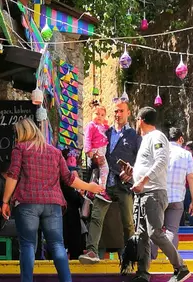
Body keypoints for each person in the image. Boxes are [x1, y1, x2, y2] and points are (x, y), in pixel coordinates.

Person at [1, 118, 103, 282]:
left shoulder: (20, 149)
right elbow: (69, 179)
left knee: (27, 245)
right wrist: (90, 187)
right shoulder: (55, 152)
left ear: (22, 133)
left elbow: (12, 176)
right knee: (57, 245)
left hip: (27, 201)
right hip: (53, 204)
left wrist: (5, 201)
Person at [122, 107, 191, 282]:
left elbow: (162, 160)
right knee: (143, 235)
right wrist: (132, 174)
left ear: (140, 119)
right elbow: (149, 164)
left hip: (153, 194)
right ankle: (143, 274)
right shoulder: (145, 139)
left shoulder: (157, 137)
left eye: (136, 120)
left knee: (155, 233)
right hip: (144, 194)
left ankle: (181, 268)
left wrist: (143, 180)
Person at [79, 100, 141, 264]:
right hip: (104, 184)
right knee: (96, 217)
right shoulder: (104, 131)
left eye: (121, 111)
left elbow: (141, 162)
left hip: (124, 186)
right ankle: (92, 252)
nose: (118, 114)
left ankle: (131, 255)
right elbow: (92, 155)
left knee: (128, 222)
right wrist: (95, 159)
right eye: (115, 111)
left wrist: (132, 174)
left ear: (128, 113)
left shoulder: (134, 136)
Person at [150, 127, 193, 259]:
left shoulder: (159, 153)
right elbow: (192, 177)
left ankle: (151, 258)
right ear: (181, 139)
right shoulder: (186, 154)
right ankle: (171, 260)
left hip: (158, 196)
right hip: (177, 199)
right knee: (172, 231)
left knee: (155, 229)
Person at [84, 101, 112, 203]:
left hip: (102, 151)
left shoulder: (102, 126)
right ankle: (101, 190)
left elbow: (107, 128)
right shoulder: (91, 125)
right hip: (96, 150)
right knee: (104, 169)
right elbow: (87, 138)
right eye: (97, 114)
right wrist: (88, 151)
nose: (99, 116)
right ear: (91, 115)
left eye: (102, 115)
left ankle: (94, 190)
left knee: (99, 171)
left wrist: (105, 123)